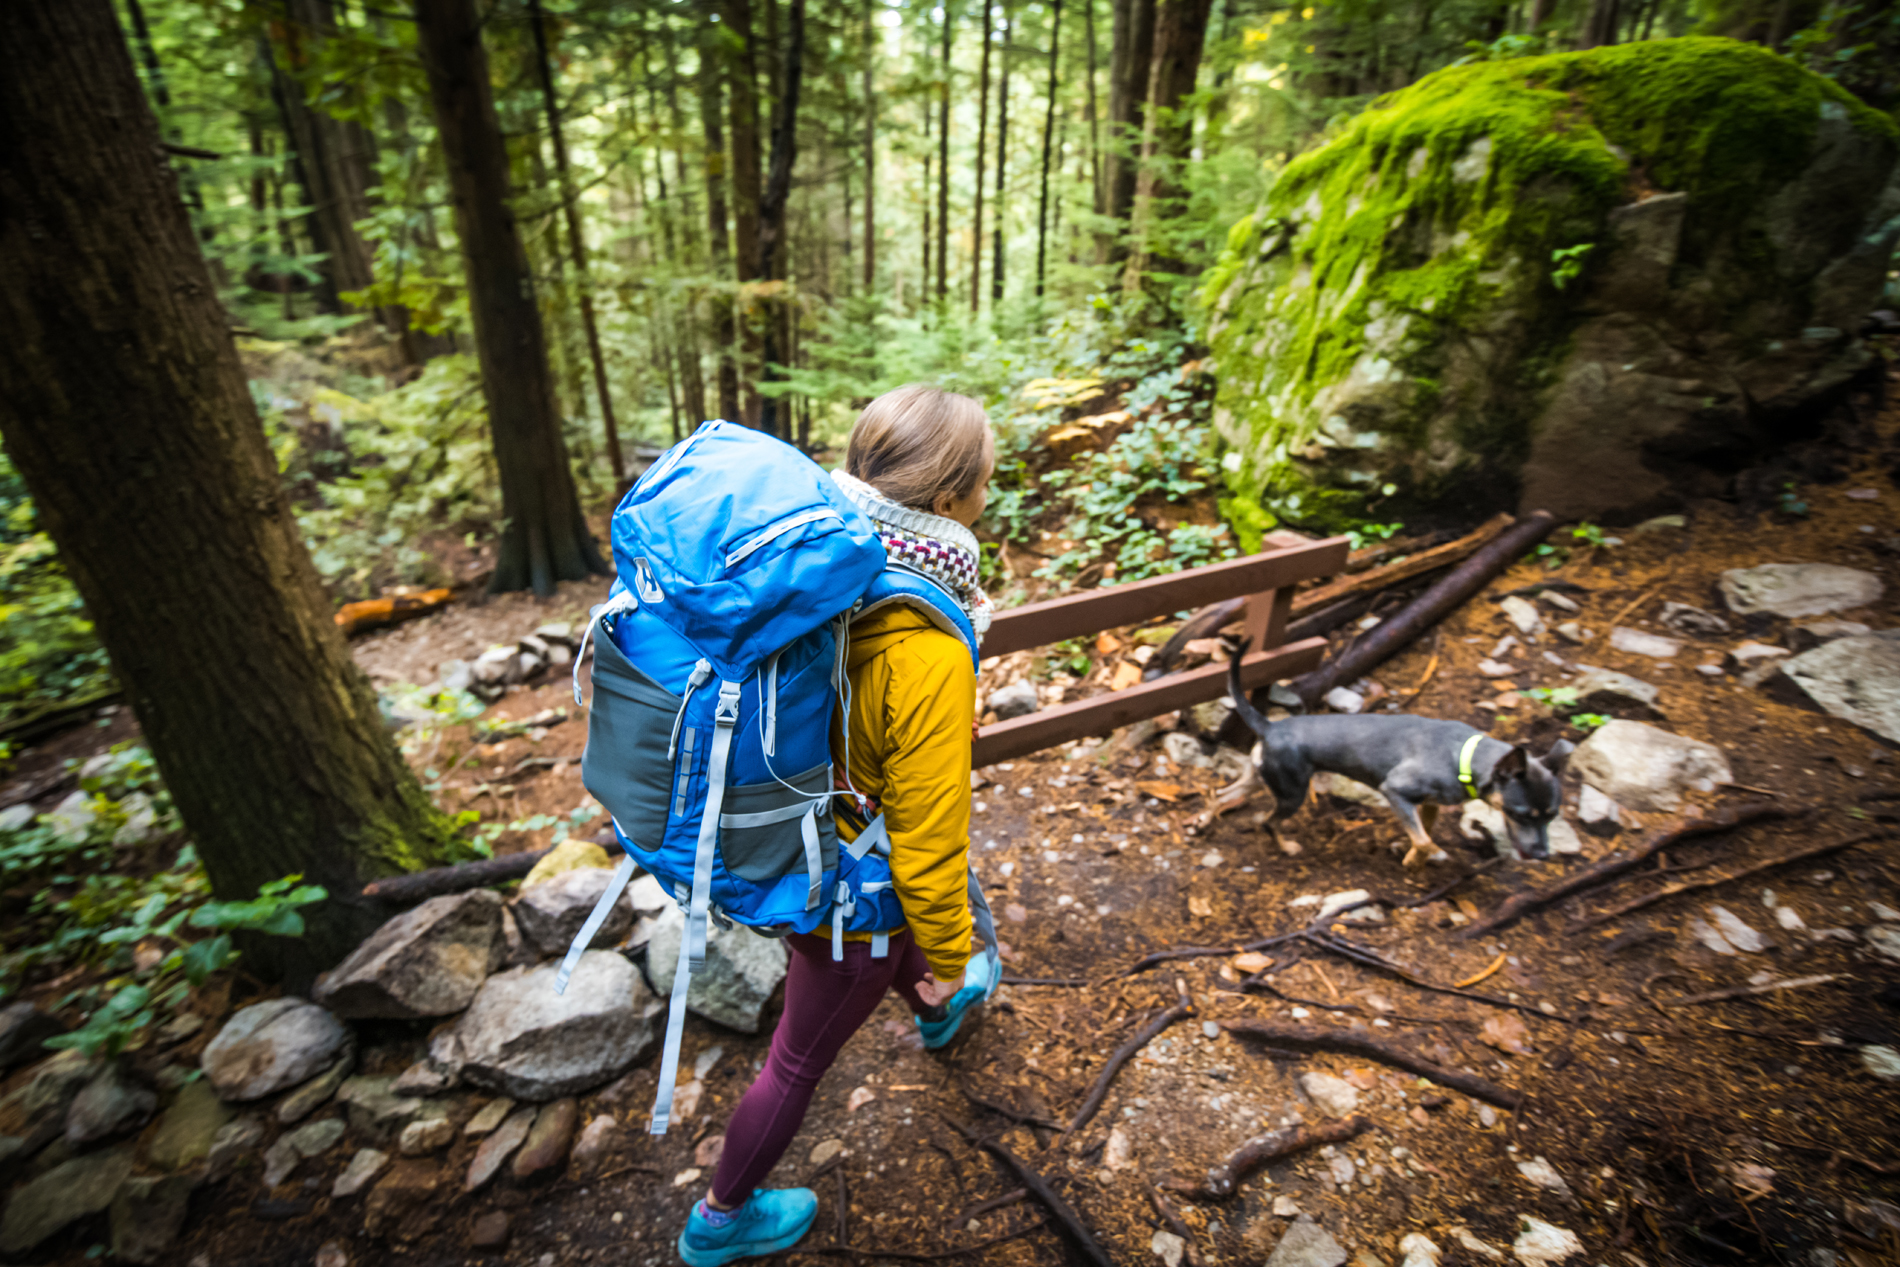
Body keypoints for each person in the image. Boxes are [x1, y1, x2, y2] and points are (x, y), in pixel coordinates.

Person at [677, 385, 999, 1266]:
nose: (990, 494)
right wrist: (956, 947)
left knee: (887, 948)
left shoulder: (813, 569)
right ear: (948, 500)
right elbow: (928, 844)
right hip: (846, 895)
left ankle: (937, 1012)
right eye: (985, 481)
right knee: (795, 1059)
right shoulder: (927, 644)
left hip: (795, 838)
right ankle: (719, 1218)